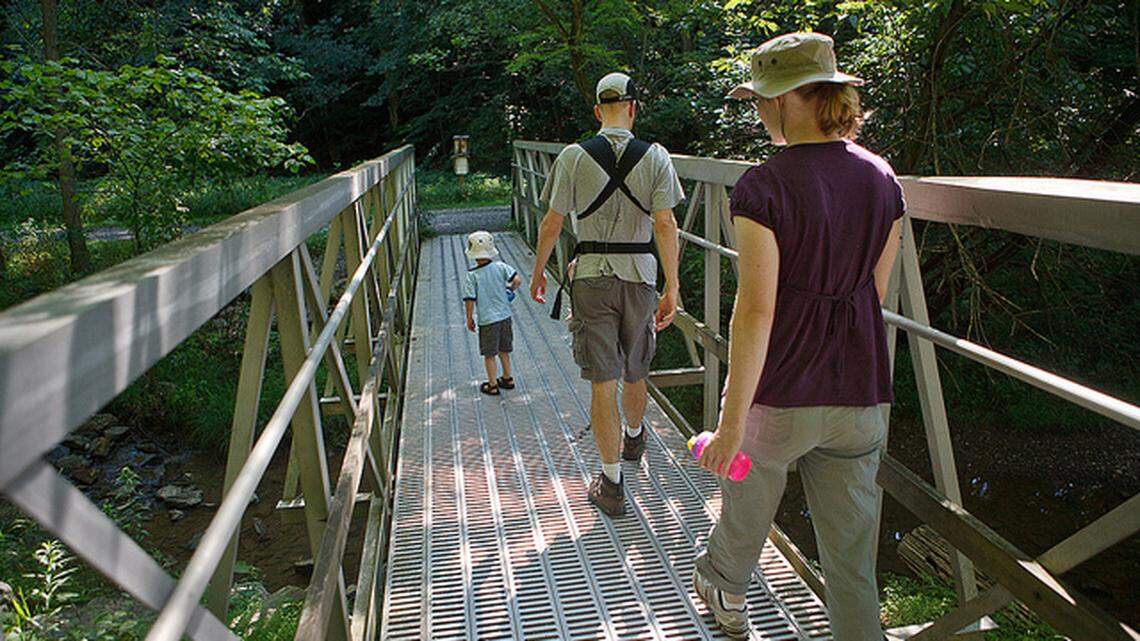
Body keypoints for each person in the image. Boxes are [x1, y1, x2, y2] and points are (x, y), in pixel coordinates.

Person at [690, 33, 904, 640]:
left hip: (783, 391)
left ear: (784, 100)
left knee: (751, 491)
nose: (757, 111)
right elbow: (875, 294)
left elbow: (755, 310)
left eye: (760, 99)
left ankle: (725, 590)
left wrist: (731, 426)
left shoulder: (763, 185)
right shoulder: (882, 177)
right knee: (851, 562)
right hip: (861, 390)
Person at [530, 72, 683, 517]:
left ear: (597, 111)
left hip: (591, 275)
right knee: (636, 367)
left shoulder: (574, 157)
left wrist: (540, 273)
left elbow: (551, 224)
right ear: (633, 108)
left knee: (603, 377)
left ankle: (612, 483)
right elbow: (665, 224)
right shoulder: (656, 157)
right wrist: (672, 286)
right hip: (640, 275)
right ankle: (635, 435)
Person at [463, 230, 521, 396]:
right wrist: (509, 289)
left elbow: (470, 299)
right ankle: (508, 378)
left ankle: (493, 384)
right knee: (504, 349)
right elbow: (517, 280)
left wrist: (469, 318)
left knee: (489, 354)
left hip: (487, 320)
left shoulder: (472, 275)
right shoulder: (501, 266)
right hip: (505, 316)